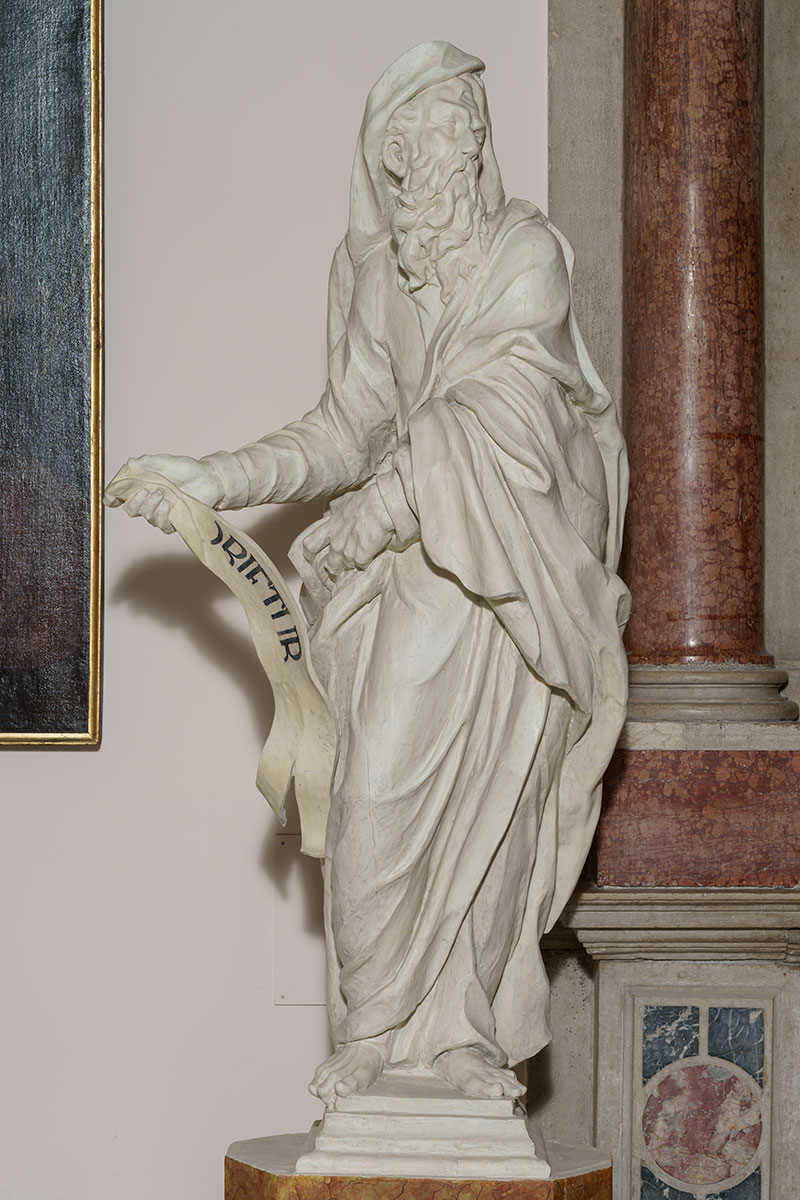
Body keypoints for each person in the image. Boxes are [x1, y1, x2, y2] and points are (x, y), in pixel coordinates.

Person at [106, 42, 630, 1107]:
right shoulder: (369, 274)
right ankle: (375, 1026)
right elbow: (345, 428)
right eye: (412, 138)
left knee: (494, 810)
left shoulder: (525, 254)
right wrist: (218, 476)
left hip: (511, 587)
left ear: (475, 143)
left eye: (453, 131)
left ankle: (467, 1036)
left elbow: (511, 414)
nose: (435, 156)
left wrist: (381, 509)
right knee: (372, 795)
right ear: (386, 155)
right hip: (411, 585)